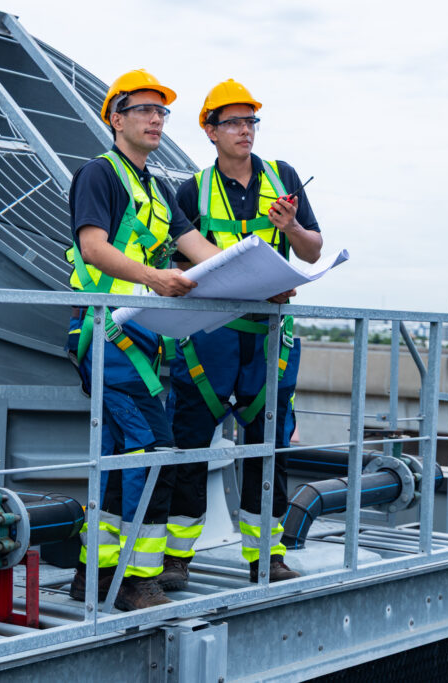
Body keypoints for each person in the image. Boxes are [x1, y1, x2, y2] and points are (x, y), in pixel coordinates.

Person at [64, 69, 222, 611]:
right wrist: (155, 278)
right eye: (145, 110)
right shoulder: (99, 175)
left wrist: (258, 276)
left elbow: (196, 246)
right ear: (116, 118)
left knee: (119, 454)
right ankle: (138, 581)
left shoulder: (154, 186)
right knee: (152, 450)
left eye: (162, 112)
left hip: (145, 342)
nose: (157, 119)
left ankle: (92, 574)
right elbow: (93, 248)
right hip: (110, 338)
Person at [160, 79, 323, 589]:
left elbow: (313, 250)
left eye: (250, 121)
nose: (244, 131)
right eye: (232, 122)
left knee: (267, 445)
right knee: (188, 446)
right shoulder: (192, 189)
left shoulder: (284, 177)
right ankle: (175, 557)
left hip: (269, 341)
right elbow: (179, 260)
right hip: (208, 336)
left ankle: (266, 557)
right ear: (209, 130)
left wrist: (292, 226)